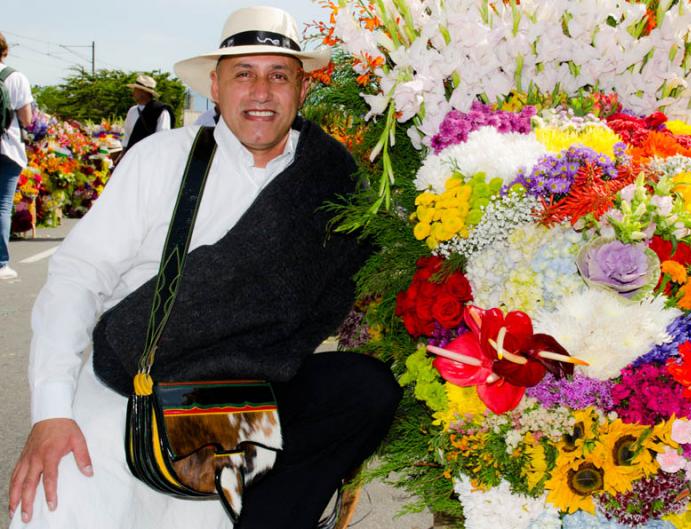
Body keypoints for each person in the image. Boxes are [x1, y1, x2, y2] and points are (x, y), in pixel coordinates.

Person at [8, 6, 401, 529]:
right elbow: (78, 276)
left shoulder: (331, 180)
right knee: (70, 501)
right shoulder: (161, 160)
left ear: (302, 89)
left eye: (278, 75)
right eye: (244, 74)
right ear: (215, 87)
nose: (261, 92)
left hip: (249, 398)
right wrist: (52, 411)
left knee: (366, 388)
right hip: (133, 383)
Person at [0, 32, 33, 281]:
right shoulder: (15, 77)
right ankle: (1, 263)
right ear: (5, 51)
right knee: (2, 206)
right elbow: (27, 119)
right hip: (7, 148)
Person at [121, 74, 175, 152]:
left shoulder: (160, 111)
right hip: (132, 155)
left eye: (135, 89)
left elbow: (163, 137)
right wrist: (123, 153)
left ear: (143, 92)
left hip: (150, 156)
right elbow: (127, 136)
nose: (133, 93)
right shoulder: (132, 111)